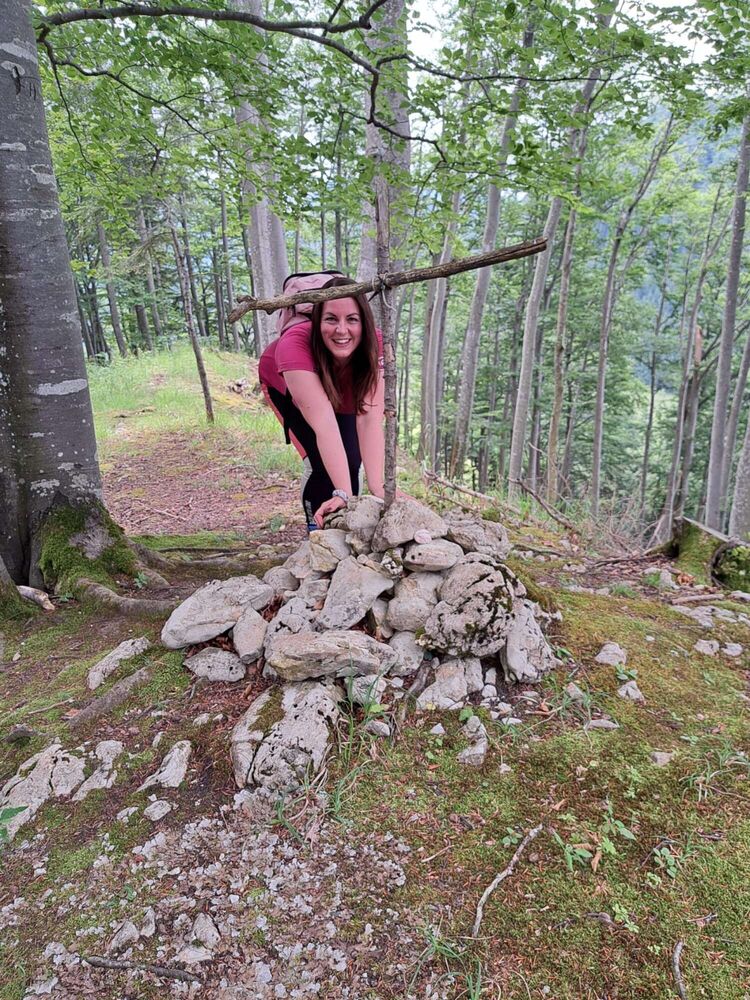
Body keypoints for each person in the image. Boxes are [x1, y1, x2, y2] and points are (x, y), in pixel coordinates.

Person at [258, 275, 386, 531]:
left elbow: (370, 420)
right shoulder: (294, 344)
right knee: (320, 463)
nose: (341, 330)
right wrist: (342, 493)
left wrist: (380, 488)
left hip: (342, 387)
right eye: (331, 319)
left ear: (365, 322)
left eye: (352, 319)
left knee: (352, 461)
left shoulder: (378, 342)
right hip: (289, 387)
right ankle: (316, 531)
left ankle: (349, 524)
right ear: (317, 321)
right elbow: (325, 425)